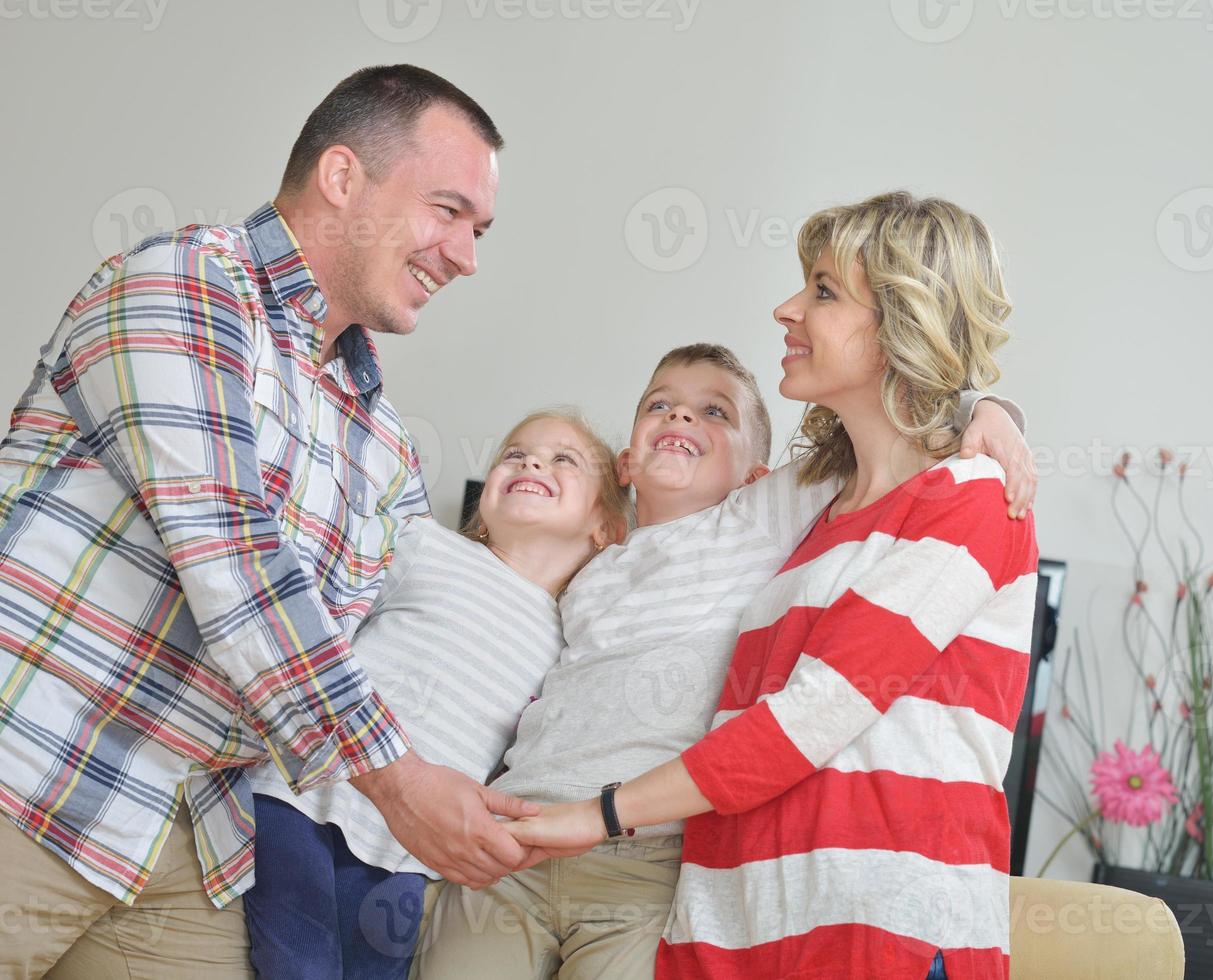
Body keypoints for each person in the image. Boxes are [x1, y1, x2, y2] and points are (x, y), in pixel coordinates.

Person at [0, 65, 536, 978]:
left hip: (192, 842)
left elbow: (423, 623)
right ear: (341, 178)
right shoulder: (185, 284)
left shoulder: (381, 441)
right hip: (33, 774)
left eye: (478, 231)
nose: (465, 256)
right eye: (447, 211)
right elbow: (235, 560)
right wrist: (398, 783)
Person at [504, 192, 1039, 980]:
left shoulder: (970, 497)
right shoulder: (813, 515)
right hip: (738, 930)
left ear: (901, 319)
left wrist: (598, 813)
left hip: (876, 932)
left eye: (822, 291)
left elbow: (811, 717)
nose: (787, 309)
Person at [242, 410, 630, 979]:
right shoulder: (425, 544)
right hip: (303, 794)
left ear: (606, 528)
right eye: (513, 453)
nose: (530, 461)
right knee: (299, 962)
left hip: (414, 850)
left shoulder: (575, 636)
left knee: (380, 969)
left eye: (563, 459)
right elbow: (332, 612)